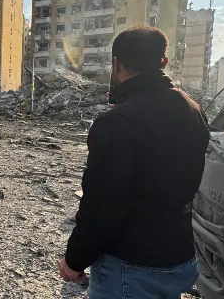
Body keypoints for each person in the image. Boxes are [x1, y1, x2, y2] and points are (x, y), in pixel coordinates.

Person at [59, 26, 210, 298]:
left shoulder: (117, 123)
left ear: (116, 63)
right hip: (179, 257)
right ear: (163, 62)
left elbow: (103, 205)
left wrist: (75, 260)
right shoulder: (192, 109)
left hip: (130, 267)